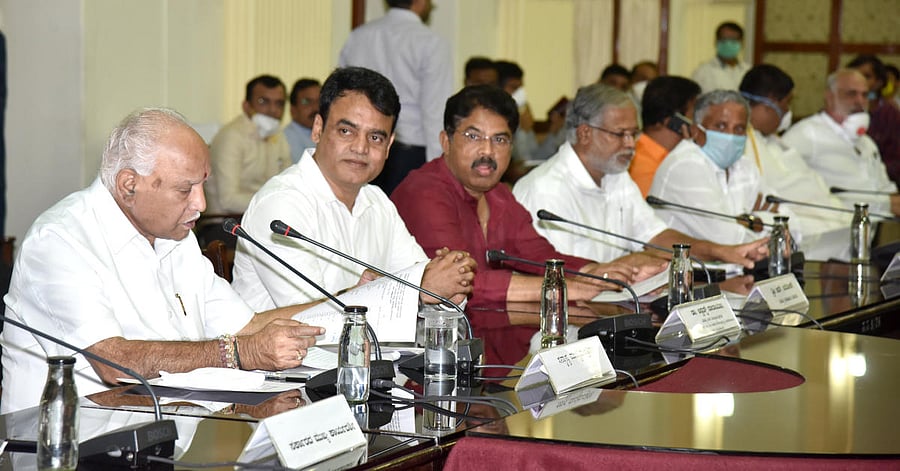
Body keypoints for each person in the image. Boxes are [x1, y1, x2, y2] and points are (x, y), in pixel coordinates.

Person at [0, 108, 323, 413]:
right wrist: (240, 352)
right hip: (66, 439)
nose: (201, 204)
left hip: (170, 425)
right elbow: (115, 363)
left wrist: (344, 307)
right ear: (129, 185)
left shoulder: (175, 236)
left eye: (203, 184)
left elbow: (247, 326)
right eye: (185, 190)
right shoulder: (60, 239)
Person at [232, 67, 476, 311]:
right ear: (318, 128)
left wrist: (450, 286)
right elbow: (311, 319)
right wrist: (420, 289)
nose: (360, 148)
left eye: (375, 138)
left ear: (389, 146)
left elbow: (423, 281)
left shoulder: (377, 202)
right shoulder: (281, 205)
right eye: (346, 131)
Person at [392, 85, 641, 313]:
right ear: (446, 141)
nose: (487, 151)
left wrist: (593, 272)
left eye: (499, 140)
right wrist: (564, 288)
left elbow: (536, 253)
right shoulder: (424, 192)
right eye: (473, 136)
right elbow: (460, 282)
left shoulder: (498, 194)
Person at [513, 83, 767, 268]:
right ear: (585, 133)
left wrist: (722, 252)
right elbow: (559, 276)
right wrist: (633, 265)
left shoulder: (616, 176)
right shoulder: (546, 190)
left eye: (634, 134)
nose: (630, 144)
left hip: (617, 304)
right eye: (620, 134)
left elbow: (656, 236)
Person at [339, 0, 453, 195]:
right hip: (411, 155)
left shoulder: (358, 36)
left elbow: (342, 94)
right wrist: (439, 171)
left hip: (362, 146)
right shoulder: (431, 42)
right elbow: (435, 111)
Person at [649, 90, 780, 244]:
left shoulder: (744, 166)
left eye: (739, 128)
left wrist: (754, 220)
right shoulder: (685, 166)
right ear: (696, 131)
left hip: (742, 259)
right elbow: (727, 240)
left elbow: (787, 222)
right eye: (721, 126)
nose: (731, 136)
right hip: (681, 259)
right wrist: (761, 224)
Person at [739, 64, 850, 236]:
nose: (787, 111)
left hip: (826, 219)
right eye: (787, 102)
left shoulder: (773, 140)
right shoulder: (743, 144)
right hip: (801, 227)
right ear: (770, 102)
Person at [782, 69, 900, 217]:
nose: (860, 101)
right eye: (851, 94)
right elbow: (781, 187)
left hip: (873, 227)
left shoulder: (867, 143)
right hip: (829, 228)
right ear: (829, 97)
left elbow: (888, 192)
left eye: (865, 95)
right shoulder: (805, 135)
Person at [206, 75, 291, 214]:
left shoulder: (279, 136)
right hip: (225, 220)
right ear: (247, 106)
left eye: (279, 104)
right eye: (263, 102)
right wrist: (273, 202)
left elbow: (287, 185)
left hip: (263, 214)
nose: (273, 110)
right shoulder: (232, 136)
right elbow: (228, 200)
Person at [628, 76, 702, 196]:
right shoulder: (642, 164)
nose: (698, 123)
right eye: (694, 115)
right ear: (672, 120)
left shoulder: (671, 157)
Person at [847, 55, 900, 185]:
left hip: (880, 181)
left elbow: (896, 160)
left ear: (879, 82)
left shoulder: (891, 115)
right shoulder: (841, 110)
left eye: (866, 76)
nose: (859, 81)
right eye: (855, 76)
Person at [691, 22, 752, 93]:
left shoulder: (748, 71)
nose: (728, 44)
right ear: (715, 41)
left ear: (742, 43)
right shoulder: (702, 72)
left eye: (733, 40)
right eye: (724, 39)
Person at [283, 78, 321, 164]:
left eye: (319, 101)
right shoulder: (285, 139)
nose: (316, 107)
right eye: (307, 102)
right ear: (293, 109)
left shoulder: (326, 135)